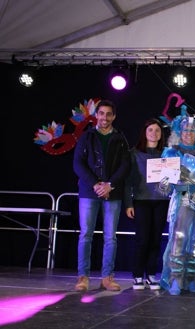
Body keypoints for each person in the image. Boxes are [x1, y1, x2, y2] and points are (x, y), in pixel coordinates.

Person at [73, 99, 130, 292]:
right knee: (86, 235)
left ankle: (107, 277)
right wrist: (96, 184)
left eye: (108, 114)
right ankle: (83, 277)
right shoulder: (86, 136)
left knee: (110, 237)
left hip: (112, 193)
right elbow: (78, 164)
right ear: (96, 115)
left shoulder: (120, 138)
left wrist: (109, 185)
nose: (105, 117)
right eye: (101, 113)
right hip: (89, 192)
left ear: (113, 116)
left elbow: (125, 166)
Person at [158, 107, 195, 295]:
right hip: (183, 199)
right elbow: (163, 186)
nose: (189, 133)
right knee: (179, 237)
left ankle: (192, 279)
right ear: (180, 132)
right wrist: (167, 182)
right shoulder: (171, 153)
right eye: (186, 130)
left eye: (193, 130)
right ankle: (175, 279)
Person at [124, 118, 170, 290]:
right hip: (141, 201)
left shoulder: (167, 153)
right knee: (142, 240)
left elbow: (173, 178)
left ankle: (151, 275)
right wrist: (128, 203)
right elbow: (127, 181)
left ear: (161, 135)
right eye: (150, 130)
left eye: (157, 130)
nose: (154, 133)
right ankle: (137, 275)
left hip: (161, 201)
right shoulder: (134, 153)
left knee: (156, 240)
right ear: (144, 132)